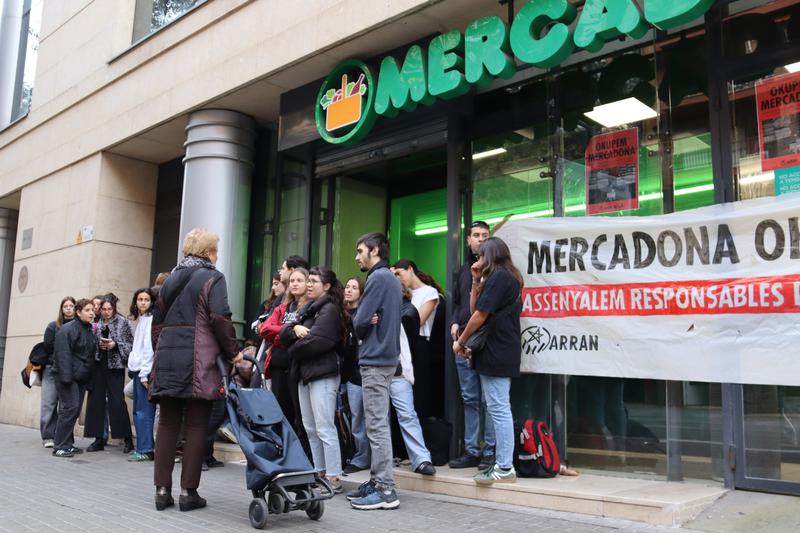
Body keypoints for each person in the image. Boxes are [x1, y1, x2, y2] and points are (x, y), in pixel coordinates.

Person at [150, 228, 241, 512]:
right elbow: (219, 318)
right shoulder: (213, 277)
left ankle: (162, 490)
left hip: (168, 359)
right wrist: (233, 353)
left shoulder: (169, 280)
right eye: (215, 248)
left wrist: (162, 352)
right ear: (208, 251)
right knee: (197, 426)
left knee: (167, 424)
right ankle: (189, 493)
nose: (217, 253)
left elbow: (157, 325)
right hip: (198, 360)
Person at [453, 237, 522, 485]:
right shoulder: (497, 278)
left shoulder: (500, 278)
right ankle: (503, 464)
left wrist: (461, 342)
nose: (478, 260)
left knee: (499, 408)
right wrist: (474, 279)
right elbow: (475, 308)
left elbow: (479, 316)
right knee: (497, 407)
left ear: (491, 255)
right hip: (498, 349)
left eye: (481, 256)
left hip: (498, 350)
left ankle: (504, 466)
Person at [347, 232, 402, 511]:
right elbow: (366, 318)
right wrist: (367, 318)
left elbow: (358, 323)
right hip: (384, 359)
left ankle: (385, 489)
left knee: (377, 425)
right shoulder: (389, 279)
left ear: (376, 250)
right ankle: (376, 480)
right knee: (377, 423)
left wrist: (363, 318)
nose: (357, 256)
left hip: (376, 360)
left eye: (360, 251)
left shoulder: (378, 278)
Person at [281, 266, 345, 493]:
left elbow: (317, 342)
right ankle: (319, 473)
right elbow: (283, 333)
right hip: (305, 375)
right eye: (309, 280)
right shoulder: (307, 310)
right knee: (310, 427)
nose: (308, 285)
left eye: (314, 281)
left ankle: (334, 476)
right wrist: (295, 329)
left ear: (326, 286)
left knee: (324, 427)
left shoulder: (329, 310)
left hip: (323, 375)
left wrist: (292, 346)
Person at [449, 220, 495, 471]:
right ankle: (471, 451)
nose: (479, 239)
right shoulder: (464, 270)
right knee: (470, 398)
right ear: (467, 240)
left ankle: (489, 451)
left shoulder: (495, 268)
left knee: (489, 401)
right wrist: (454, 323)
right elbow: (457, 303)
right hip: (462, 342)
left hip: (485, 342)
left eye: (484, 235)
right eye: (475, 235)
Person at [391, 290, 435, 476]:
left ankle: (421, 459)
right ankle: (380, 460)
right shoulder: (369, 309)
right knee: (375, 419)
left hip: (397, 370)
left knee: (407, 414)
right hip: (374, 369)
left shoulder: (406, 310)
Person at [391, 259, 442, 420]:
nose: (397, 278)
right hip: (399, 343)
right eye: (394, 276)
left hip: (418, 345)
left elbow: (416, 321)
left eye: (399, 273)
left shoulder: (430, 292)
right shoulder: (398, 293)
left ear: (410, 269)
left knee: (418, 393)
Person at [260, 267, 309, 425]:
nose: (294, 284)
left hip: (298, 365)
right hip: (278, 364)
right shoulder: (283, 307)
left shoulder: (310, 308)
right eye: (292, 281)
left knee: (299, 413)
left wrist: (280, 335)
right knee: (280, 412)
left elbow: (305, 336)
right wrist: (291, 329)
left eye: (299, 281)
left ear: (308, 283)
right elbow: (265, 329)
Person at [85, 296, 134, 453]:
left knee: (117, 402)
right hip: (99, 365)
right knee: (96, 401)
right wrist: (98, 345)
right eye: (104, 309)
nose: (106, 312)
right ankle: (98, 439)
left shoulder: (123, 322)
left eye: (109, 309)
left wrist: (115, 345)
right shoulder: (96, 324)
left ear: (114, 309)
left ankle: (127, 439)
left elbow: (132, 344)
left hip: (115, 366)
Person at [51, 299, 97, 457]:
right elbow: (62, 354)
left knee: (74, 410)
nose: (92, 313)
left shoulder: (89, 329)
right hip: (68, 376)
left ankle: (68, 444)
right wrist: (66, 378)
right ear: (78, 312)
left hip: (81, 376)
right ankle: (60, 446)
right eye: (88, 310)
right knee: (69, 409)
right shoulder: (67, 329)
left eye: (92, 309)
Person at [39, 296, 76, 448]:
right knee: (49, 402)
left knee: (66, 405)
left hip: (70, 370)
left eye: (71, 306)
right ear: (61, 309)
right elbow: (47, 347)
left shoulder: (79, 326)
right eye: (65, 306)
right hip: (51, 368)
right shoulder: (53, 326)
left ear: (75, 308)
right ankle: (48, 435)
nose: (68, 308)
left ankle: (62, 436)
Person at [342, 276, 369, 474]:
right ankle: (352, 453)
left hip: (359, 374)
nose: (349, 290)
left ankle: (362, 458)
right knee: (350, 418)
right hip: (344, 373)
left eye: (354, 287)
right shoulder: (340, 314)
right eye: (347, 287)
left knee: (360, 418)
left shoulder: (364, 314)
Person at [127, 288, 156, 461]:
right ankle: (142, 447)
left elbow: (149, 349)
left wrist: (145, 374)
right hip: (137, 370)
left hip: (144, 372)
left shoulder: (151, 320)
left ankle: (146, 449)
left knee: (144, 411)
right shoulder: (142, 320)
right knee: (138, 411)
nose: (143, 302)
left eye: (146, 299)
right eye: (140, 299)